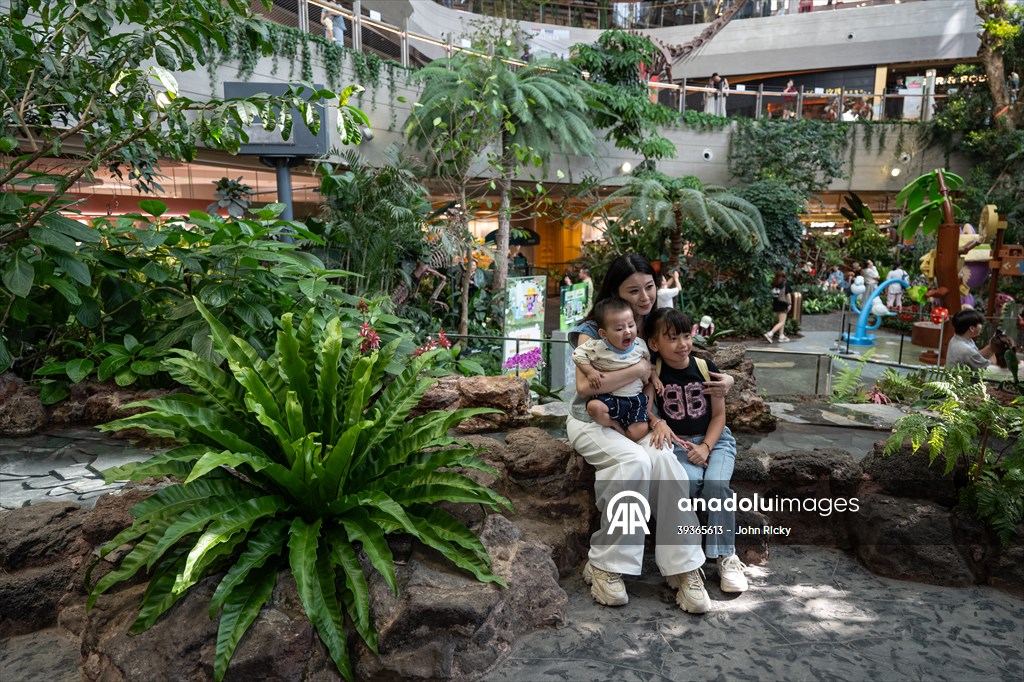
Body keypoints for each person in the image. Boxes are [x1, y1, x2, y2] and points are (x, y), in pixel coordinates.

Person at [567, 253, 735, 613]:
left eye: (649, 287)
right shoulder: (594, 329)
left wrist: (659, 417)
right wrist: (640, 369)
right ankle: (606, 564)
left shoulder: (649, 326)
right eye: (633, 291)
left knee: (666, 464)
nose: (644, 297)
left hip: (639, 418)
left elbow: (685, 358)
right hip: (593, 420)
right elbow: (585, 389)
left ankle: (685, 567)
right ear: (614, 292)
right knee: (634, 463)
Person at [644, 308, 748, 594]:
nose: (682, 344)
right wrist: (659, 422)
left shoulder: (705, 367)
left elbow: (718, 417)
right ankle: (689, 559)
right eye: (672, 338)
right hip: (679, 446)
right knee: (687, 486)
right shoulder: (656, 373)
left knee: (716, 486)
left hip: (715, 441)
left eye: (686, 336)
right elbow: (647, 411)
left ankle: (727, 557)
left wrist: (706, 447)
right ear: (655, 344)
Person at [573, 299, 654, 441]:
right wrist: (590, 371)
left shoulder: (640, 345)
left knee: (640, 430)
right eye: (619, 329)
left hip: (635, 398)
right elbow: (577, 355)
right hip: (608, 397)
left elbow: (648, 366)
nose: (627, 331)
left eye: (631, 325)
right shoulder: (598, 347)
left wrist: (655, 378)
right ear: (603, 334)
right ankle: (613, 424)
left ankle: (624, 435)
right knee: (594, 408)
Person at [946, 308, 998, 376]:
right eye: (980, 324)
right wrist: (996, 347)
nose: (981, 326)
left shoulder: (956, 339)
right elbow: (989, 369)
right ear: (972, 328)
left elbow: (975, 357)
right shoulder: (966, 350)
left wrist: (990, 347)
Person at [764, 270, 792, 343]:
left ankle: (781, 336)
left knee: (780, 321)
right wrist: (790, 304)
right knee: (782, 322)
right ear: (784, 276)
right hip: (783, 304)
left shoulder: (774, 283)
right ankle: (769, 334)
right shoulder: (785, 284)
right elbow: (788, 295)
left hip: (776, 304)